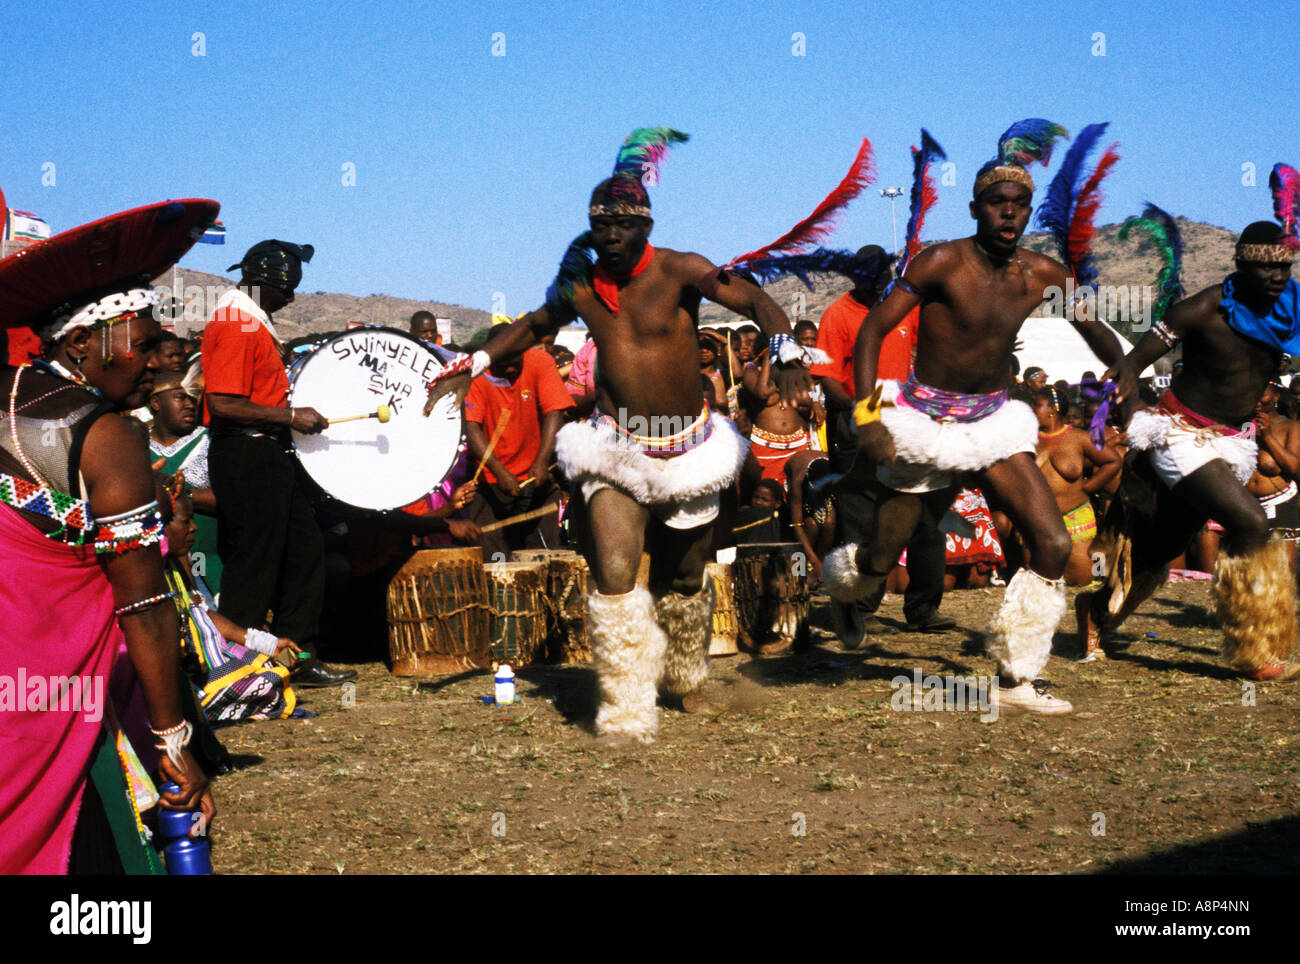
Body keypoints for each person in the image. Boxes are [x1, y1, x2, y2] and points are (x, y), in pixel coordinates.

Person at [425, 128, 812, 744]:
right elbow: (532, 325)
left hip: (687, 451)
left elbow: (755, 298)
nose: (607, 234)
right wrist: (468, 365)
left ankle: (685, 678)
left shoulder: (681, 270)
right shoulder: (582, 289)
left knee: (685, 580)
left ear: (645, 226)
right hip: (615, 448)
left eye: (620, 225)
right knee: (613, 574)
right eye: (597, 224)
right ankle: (627, 704)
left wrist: (786, 345)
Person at [824, 120, 1126, 714]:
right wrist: (868, 416)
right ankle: (849, 586)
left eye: (1019, 205)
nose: (1009, 215)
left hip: (993, 422)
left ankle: (1017, 675)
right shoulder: (940, 262)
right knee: (882, 560)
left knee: (1051, 539)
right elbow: (873, 332)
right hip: (923, 420)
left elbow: (1099, 333)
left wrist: (1128, 378)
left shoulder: (1043, 275)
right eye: (997, 204)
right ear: (975, 208)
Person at [0, 199, 217, 872]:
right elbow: (145, 608)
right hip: (56, 707)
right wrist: (174, 743)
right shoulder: (105, 435)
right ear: (79, 345)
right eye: (142, 344)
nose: (159, 363)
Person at [1085, 218, 1300, 678]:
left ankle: (1097, 610)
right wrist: (1125, 400)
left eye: (1285, 266)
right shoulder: (1201, 309)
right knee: (1250, 521)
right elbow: (1133, 364)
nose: (1278, 277)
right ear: (1240, 266)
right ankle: (1251, 647)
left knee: (1163, 545)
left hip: (1232, 442)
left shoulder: (1292, 309)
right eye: (1267, 269)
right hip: (1178, 434)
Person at [201, 239, 356, 690]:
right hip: (247, 452)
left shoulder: (251, 321)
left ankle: (295, 657)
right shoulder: (236, 324)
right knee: (256, 561)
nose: (291, 299)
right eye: (285, 290)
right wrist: (291, 416)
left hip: (265, 451)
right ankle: (235, 665)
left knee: (304, 553)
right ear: (263, 283)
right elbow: (224, 403)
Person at [810, 246, 952, 638]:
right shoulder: (837, 314)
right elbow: (828, 378)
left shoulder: (904, 308)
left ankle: (924, 608)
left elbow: (932, 349)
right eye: (867, 271)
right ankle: (859, 606)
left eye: (883, 270)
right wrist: (864, 410)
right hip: (858, 423)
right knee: (862, 516)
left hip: (908, 421)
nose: (876, 278)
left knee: (926, 512)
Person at [461, 325, 575, 558]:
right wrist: (499, 471)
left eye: (516, 362)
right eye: (504, 365)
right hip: (490, 485)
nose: (511, 369)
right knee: (493, 568)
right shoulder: (475, 373)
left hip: (537, 482)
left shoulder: (540, 361)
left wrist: (542, 461)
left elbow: (555, 411)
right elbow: (471, 427)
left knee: (545, 565)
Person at [1029, 385, 1120, 591]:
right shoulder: (1027, 439)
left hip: (1076, 517)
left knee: (1089, 579)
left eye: (1037, 405)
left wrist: (1089, 487)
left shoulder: (1079, 438)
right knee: (1037, 585)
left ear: (1053, 408)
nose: (1033, 410)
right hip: (1036, 521)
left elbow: (1112, 460)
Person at [148, 373, 222, 591]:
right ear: (155, 402)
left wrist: (182, 493)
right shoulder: (132, 441)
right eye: (181, 397)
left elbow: (236, 500)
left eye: (194, 398)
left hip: (213, 564)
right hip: (157, 570)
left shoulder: (213, 440)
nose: (190, 404)